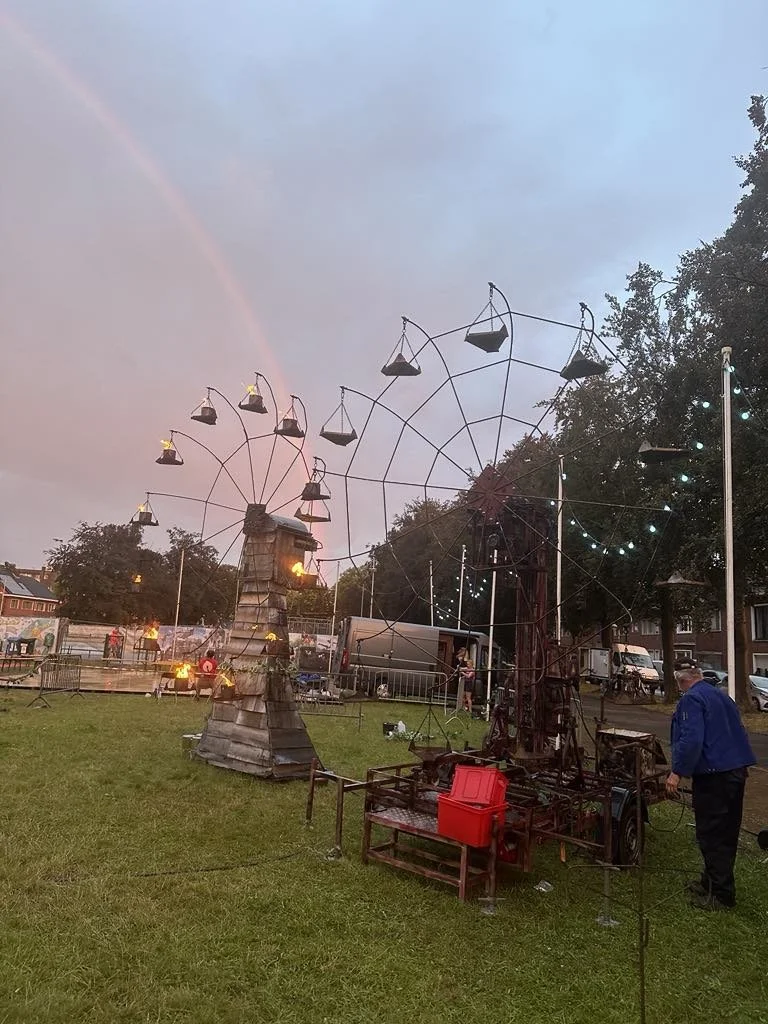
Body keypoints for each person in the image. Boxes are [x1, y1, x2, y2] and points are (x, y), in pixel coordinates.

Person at [666, 657, 756, 910]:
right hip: (736, 772)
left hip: (714, 776)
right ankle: (710, 882)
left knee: (711, 833)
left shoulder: (691, 699)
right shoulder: (721, 697)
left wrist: (677, 772)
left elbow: (691, 740)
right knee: (726, 831)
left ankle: (721, 896)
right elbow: (738, 730)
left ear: (683, 680)